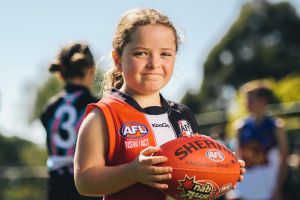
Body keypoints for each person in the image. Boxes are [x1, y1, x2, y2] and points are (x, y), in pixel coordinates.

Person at [74, 8, 245, 200]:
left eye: (165, 54)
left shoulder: (183, 116)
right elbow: (84, 181)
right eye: (141, 53)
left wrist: (223, 173)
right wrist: (133, 172)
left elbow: (192, 183)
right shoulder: (103, 115)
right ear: (118, 60)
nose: (154, 63)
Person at [40, 42, 101, 200]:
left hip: (56, 187)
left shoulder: (50, 108)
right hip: (88, 185)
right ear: (91, 70)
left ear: (61, 73)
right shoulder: (97, 106)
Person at [230, 80, 288, 200]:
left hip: (268, 192)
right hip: (244, 192)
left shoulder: (277, 127)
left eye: (250, 99)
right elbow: (236, 161)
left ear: (263, 101)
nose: (246, 103)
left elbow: (284, 160)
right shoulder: (240, 127)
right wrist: (233, 189)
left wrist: (278, 189)